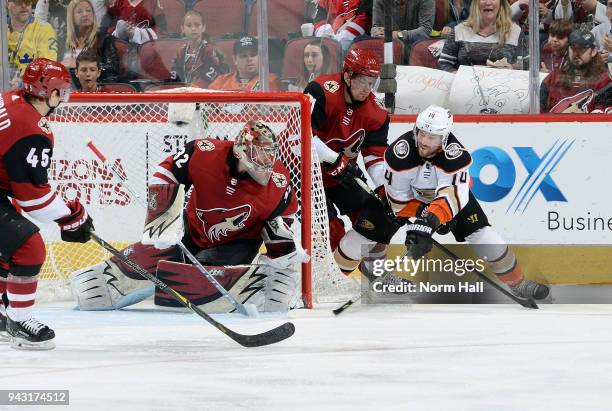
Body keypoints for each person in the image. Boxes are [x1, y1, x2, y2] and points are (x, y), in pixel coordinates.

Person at [70, 120, 306, 313]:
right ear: (240, 149)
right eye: (259, 153)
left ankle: (259, 290)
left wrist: (284, 266)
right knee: (137, 263)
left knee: (201, 278)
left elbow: (279, 230)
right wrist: (163, 218)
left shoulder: (279, 183)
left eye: (269, 155)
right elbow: (166, 172)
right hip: (191, 230)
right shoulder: (204, 153)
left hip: (237, 243)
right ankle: (109, 283)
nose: (266, 162)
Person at [336, 104, 551, 300]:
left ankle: (518, 283)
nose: (423, 141)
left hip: (445, 203)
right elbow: (397, 201)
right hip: (405, 200)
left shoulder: (455, 156)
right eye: (421, 133)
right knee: (363, 235)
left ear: (444, 137)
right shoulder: (400, 153)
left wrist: (431, 221)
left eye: (432, 137)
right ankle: (333, 280)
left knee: (485, 235)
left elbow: (454, 197)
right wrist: (422, 219)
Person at [0, 58, 95, 350]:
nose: (63, 98)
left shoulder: (10, 99)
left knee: (9, 243)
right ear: (50, 93)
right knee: (29, 247)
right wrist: (71, 217)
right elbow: (35, 200)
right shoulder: (32, 129)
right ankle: (18, 320)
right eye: (61, 92)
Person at [303, 48, 391, 271]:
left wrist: (383, 186)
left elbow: (375, 155)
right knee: (330, 228)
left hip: (341, 174)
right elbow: (302, 136)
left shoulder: (377, 113)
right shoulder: (320, 91)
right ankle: (338, 277)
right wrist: (334, 159)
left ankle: (375, 276)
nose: (368, 89)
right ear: (347, 75)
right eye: (363, 81)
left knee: (379, 219)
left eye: (372, 82)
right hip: (306, 174)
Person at [438, 0, 524, 72]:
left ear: (501, 3)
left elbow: (525, 66)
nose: (488, 2)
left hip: (502, 88)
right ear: (476, 3)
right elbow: (444, 64)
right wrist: (460, 78)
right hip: (466, 88)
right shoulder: (459, 30)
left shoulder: (515, 31)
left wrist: (512, 70)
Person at [541, 28, 611, 113]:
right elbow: (539, 110)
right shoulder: (553, 77)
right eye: (573, 49)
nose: (576, 54)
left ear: (593, 51)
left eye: (581, 50)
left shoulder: (603, 81)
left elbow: (602, 116)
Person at [62, 0, 119, 84]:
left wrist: (79, 65)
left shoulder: (104, 38)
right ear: (72, 18)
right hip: (65, 88)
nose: (85, 14)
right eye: (79, 12)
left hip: (94, 90)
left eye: (88, 10)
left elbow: (112, 69)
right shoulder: (64, 41)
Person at [170, 10, 228, 88]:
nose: (193, 28)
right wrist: (178, 88)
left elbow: (212, 74)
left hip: (205, 92)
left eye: (197, 25)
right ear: (182, 29)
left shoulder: (209, 50)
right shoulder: (180, 51)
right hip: (184, 92)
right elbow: (175, 73)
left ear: (203, 27)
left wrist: (193, 88)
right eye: (189, 25)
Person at [6, 0, 58, 87]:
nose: (24, 5)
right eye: (18, 2)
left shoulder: (44, 29)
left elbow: (47, 68)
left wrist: (21, 82)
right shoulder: (2, 28)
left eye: (27, 2)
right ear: (7, 3)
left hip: (32, 92)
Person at [208, 36, 282, 92]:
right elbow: (206, 107)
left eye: (253, 55)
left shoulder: (271, 80)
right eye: (243, 56)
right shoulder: (221, 82)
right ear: (235, 59)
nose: (249, 59)